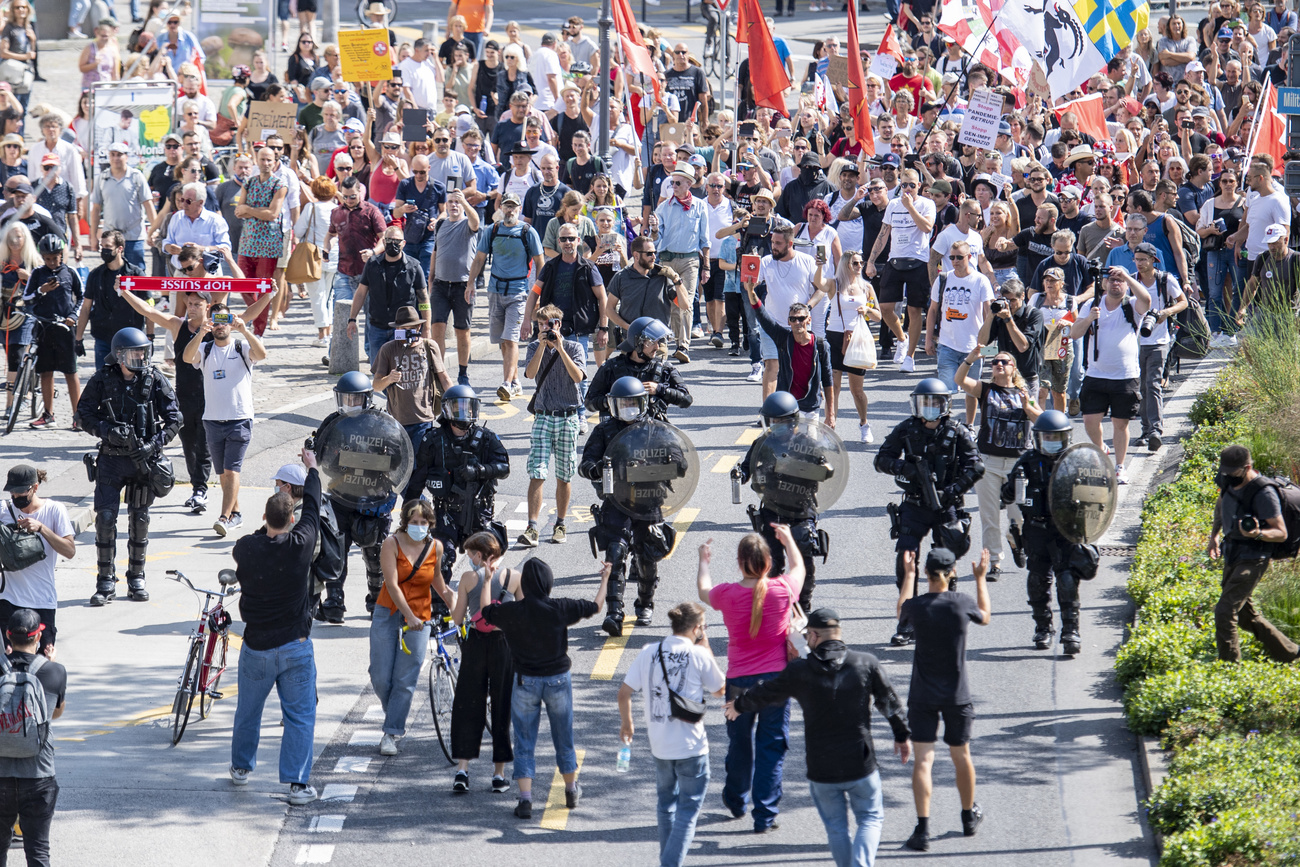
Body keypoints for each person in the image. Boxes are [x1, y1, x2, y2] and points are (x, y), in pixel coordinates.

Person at [725, 607, 912, 865]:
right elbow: (889, 703)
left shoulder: (799, 671)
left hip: (821, 768)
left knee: (836, 828)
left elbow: (767, 692)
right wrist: (902, 735)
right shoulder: (865, 663)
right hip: (860, 763)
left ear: (813, 635)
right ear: (838, 633)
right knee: (870, 819)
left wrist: (739, 704)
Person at [478, 558, 611, 819]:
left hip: (525, 681)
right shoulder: (560, 608)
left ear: (524, 584)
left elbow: (485, 611)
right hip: (558, 679)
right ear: (549, 582)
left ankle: (525, 800)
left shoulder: (512, 611)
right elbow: (596, 606)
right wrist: (605, 578)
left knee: (525, 741)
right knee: (564, 737)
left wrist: (486, 580)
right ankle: (571, 789)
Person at [229, 447, 322, 807]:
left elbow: (251, 541)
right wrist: (311, 469)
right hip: (296, 644)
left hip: (256, 647)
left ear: (265, 516)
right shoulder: (301, 545)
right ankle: (297, 784)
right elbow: (312, 506)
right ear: (292, 519)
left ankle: (241, 768)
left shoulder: (246, 548)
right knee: (299, 716)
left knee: (248, 711)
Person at [696, 529, 802, 834]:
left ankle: (736, 799)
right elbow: (799, 569)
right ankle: (765, 815)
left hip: (739, 682)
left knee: (739, 743)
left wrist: (704, 560)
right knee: (771, 747)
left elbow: (704, 589)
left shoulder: (727, 594)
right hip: (775, 682)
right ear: (768, 562)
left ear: (740, 562)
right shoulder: (782, 590)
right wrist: (789, 540)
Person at [874, 378, 985, 646]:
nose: (930, 407)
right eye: (924, 403)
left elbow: (976, 466)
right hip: (914, 504)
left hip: (946, 505)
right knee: (906, 560)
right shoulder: (906, 429)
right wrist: (905, 469)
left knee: (946, 563)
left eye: (935, 403)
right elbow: (881, 459)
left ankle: (948, 617)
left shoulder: (957, 431)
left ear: (945, 405)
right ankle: (908, 623)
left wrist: (954, 489)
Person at [76, 327, 181, 605]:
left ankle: (136, 577)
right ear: (120, 356)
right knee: (106, 520)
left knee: (140, 519)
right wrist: (106, 431)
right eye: (135, 352)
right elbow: (83, 413)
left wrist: (153, 445)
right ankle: (105, 581)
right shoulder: (102, 379)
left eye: (143, 351)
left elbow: (174, 418)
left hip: (142, 461)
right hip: (111, 460)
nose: (141, 357)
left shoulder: (154, 379)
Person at [896, 548, 992, 852]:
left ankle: (922, 830)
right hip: (957, 694)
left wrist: (908, 577)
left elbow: (901, 613)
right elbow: (985, 617)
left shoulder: (917, 606)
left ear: (925, 572)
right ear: (952, 573)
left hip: (922, 694)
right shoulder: (961, 603)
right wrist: (980, 580)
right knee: (961, 755)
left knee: (924, 759)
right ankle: (967, 817)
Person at [617, 601, 726, 867]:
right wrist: (706, 647)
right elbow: (720, 690)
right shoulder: (699, 655)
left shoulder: (649, 652)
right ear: (697, 628)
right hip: (692, 746)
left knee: (666, 806)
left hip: (660, 745)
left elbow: (624, 692)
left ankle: (667, 859)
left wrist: (627, 724)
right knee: (688, 812)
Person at [581, 377, 687, 635]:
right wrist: (596, 469)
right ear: (614, 405)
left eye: (633, 402)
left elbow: (680, 466)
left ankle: (645, 603)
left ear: (643, 402)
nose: (628, 407)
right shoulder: (604, 431)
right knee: (615, 555)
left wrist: (656, 466)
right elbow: (586, 464)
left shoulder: (657, 430)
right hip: (616, 501)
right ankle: (614, 613)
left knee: (647, 555)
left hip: (650, 500)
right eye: (623, 403)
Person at [1000, 410, 1099, 654]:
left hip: (1067, 529)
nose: (1052, 442)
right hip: (1036, 529)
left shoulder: (1076, 461)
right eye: (1047, 437)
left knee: (1067, 580)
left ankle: (1070, 631)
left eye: (1056, 437)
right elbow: (1006, 495)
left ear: (1066, 438)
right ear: (1037, 438)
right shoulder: (1027, 461)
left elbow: (1096, 495)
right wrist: (1014, 486)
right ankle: (1043, 628)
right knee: (1037, 580)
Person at [371, 498, 454, 757]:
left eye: (423, 522)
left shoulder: (435, 548)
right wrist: (408, 615)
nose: (418, 526)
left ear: (430, 524)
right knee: (381, 677)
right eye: (413, 522)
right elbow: (392, 585)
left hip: (421, 616)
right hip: (389, 612)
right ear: (405, 522)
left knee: (405, 680)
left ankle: (392, 732)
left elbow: (437, 580)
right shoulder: (391, 544)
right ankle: (395, 710)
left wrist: (456, 602)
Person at [310, 374, 396, 621]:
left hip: (373, 498)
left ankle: (377, 602)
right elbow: (321, 454)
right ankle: (334, 603)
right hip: (341, 496)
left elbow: (397, 458)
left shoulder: (382, 424)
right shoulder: (333, 422)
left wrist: (377, 455)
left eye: (355, 398)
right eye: (346, 397)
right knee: (335, 551)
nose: (350, 402)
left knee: (375, 552)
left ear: (366, 398)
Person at [734, 391, 831, 611]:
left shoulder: (807, 444)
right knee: (770, 564)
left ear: (793, 421)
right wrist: (739, 473)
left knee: (804, 563)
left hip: (800, 510)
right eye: (772, 421)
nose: (776, 425)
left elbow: (824, 472)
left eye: (781, 421)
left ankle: (803, 607)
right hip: (771, 509)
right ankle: (772, 608)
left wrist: (807, 469)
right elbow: (747, 467)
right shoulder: (763, 444)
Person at [407, 385, 510, 588]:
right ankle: (438, 612)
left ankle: (484, 612)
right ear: (447, 410)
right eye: (458, 407)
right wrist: (408, 517)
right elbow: (417, 479)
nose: (464, 413)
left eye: (468, 408)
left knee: (486, 567)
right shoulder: (432, 440)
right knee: (440, 559)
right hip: (447, 513)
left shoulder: (486, 438)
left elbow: (504, 467)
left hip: (479, 512)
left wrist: (480, 471)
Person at [1206, 444, 1300, 664]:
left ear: (1247, 467)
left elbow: (1280, 533)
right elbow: (1222, 504)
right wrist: (1214, 536)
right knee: (1245, 616)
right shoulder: (1227, 478)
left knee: (1225, 610)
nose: (1227, 475)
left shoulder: (1264, 493)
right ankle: (1289, 652)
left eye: (1232, 471)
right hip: (1232, 552)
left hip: (1254, 557)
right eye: (1224, 471)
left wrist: (1257, 533)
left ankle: (1229, 669)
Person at [182, 301, 268, 535]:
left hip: (239, 419)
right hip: (212, 421)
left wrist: (244, 329)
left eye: (225, 320)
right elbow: (187, 358)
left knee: (232, 471)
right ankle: (236, 514)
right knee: (222, 474)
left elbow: (261, 354)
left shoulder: (240, 348)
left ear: (231, 322)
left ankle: (224, 516)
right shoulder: (206, 349)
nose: (221, 326)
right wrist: (201, 332)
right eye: (216, 321)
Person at [955, 344, 1040, 579]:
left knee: (1019, 516)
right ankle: (994, 561)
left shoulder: (1024, 393)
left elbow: (1041, 419)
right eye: (996, 362)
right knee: (989, 516)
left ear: (1014, 369)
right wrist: (971, 358)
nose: (999, 365)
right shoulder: (985, 390)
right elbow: (960, 380)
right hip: (988, 462)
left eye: (1005, 362)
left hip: (1018, 466)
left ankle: (1015, 540)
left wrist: (1027, 407)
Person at [1067, 265, 1152, 485]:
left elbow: (1147, 301)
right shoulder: (1091, 304)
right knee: (1089, 421)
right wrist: (1088, 319)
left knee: (1120, 424)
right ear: (1104, 283)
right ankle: (1101, 449)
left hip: (1125, 376)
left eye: (1120, 280)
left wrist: (1128, 277)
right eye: (1112, 280)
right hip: (1096, 374)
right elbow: (1074, 333)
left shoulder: (1131, 305)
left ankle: (1120, 466)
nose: (1116, 283)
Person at [450, 528, 519, 795]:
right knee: (502, 707)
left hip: (476, 644)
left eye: (469, 554)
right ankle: (499, 775)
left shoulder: (468, 578)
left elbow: (457, 619)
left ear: (479, 555)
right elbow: (525, 616)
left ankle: (462, 770)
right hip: (504, 646)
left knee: (468, 704)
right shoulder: (515, 577)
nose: (469, 559)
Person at [0, 609, 67, 867]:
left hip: (1, 775)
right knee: (38, 852)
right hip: (39, 776)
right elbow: (55, 714)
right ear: (37, 637)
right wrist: (48, 662)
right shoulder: (55, 672)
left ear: (8, 636)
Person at [519, 304, 586, 546]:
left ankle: (560, 523)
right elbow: (529, 375)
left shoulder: (574, 347)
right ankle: (532, 527)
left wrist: (559, 347)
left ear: (558, 324)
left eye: (547, 324)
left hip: (568, 417)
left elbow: (578, 376)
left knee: (564, 475)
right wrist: (541, 347)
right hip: (543, 416)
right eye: (540, 324)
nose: (543, 328)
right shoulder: (533, 347)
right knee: (537, 472)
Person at [467, 191, 544, 401]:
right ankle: (516, 381)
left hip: (519, 292)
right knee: (503, 341)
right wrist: (470, 283)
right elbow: (479, 258)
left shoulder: (528, 231)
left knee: (511, 339)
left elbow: (540, 262)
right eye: (506, 206)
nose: (510, 210)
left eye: (514, 207)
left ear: (519, 209)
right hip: (495, 291)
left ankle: (507, 383)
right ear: (501, 208)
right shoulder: (492, 230)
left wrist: (538, 292)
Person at [865, 168, 936, 372]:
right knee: (885, 307)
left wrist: (911, 208)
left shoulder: (926, 203)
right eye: (904, 185)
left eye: (912, 185)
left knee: (914, 310)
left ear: (919, 186)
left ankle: (910, 357)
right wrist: (871, 260)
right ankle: (901, 338)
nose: (907, 189)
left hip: (918, 261)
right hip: (894, 260)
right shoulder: (894, 205)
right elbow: (883, 233)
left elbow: (927, 228)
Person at [0, 467, 73, 655]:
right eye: (12, 491)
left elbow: (70, 551)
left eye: (21, 491)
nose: (16, 495)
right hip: (8, 599)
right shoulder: (3, 510)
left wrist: (42, 529)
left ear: (35, 488)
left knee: (42, 661)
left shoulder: (55, 510)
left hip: (42, 601)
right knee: (8, 665)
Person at [371, 305, 453, 466]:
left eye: (411, 329)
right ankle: (402, 492)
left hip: (423, 418)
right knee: (399, 466)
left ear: (419, 327)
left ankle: (412, 492)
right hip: (397, 420)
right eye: (403, 329)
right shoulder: (388, 349)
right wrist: (389, 379)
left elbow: (444, 378)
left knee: (418, 465)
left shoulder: (429, 347)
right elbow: (376, 385)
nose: (407, 334)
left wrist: (456, 403)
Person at [926, 240, 995, 426]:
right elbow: (933, 310)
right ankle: (944, 426)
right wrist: (928, 340)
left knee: (971, 390)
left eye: (959, 257)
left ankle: (969, 426)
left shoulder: (980, 280)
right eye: (952, 257)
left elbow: (989, 313)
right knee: (945, 391)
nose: (955, 261)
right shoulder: (943, 279)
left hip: (973, 346)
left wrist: (991, 345)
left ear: (969, 257)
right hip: (947, 344)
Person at [650, 165, 711, 363]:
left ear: (689, 184)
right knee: (671, 302)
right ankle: (672, 341)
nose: (673, 186)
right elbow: (656, 241)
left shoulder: (701, 206)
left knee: (686, 300)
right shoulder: (663, 207)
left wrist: (707, 266)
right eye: (671, 183)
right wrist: (654, 230)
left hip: (690, 259)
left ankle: (683, 344)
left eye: (677, 183)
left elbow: (705, 240)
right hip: (667, 259)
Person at [1130, 243, 1187, 451]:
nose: (1139, 263)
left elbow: (1183, 302)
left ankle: (1155, 430)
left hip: (1159, 341)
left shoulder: (1165, 280)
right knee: (1141, 387)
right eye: (1137, 259)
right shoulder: (1132, 281)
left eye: (1143, 259)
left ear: (1154, 260)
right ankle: (1146, 430)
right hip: (1135, 342)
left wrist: (1166, 312)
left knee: (1153, 384)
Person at [22, 234, 82, 430]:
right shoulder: (38, 273)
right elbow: (27, 297)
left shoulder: (70, 273)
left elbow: (82, 298)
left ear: (62, 255)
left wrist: (73, 316)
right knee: (46, 372)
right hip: (44, 327)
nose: (51, 262)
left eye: (55, 258)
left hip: (65, 328)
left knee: (70, 373)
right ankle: (48, 414)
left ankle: (78, 415)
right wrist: (42, 290)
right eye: (47, 258)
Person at [585, 316, 692, 422]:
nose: (657, 347)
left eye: (658, 342)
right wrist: (614, 401)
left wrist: (660, 390)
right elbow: (589, 402)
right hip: (619, 432)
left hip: (653, 430)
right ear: (638, 343)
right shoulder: (611, 368)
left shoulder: (664, 368)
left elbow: (686, 399)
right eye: (651, 343)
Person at [347, 227, 430, 363]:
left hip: (404, 327)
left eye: (396, 241)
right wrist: (352, 319)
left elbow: (424, 299)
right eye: (389, 240)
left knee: (402, 370)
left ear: (403, 243)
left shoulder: (414, 267)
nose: (392, 244)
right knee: (378, 371)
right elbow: (361, 292)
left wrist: (427, 328)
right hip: (377, 327)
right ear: (384, 242)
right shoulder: (372, 264)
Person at [427, 189, 481, 383]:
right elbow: (435, 251)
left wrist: (464, 201)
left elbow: (476, 222)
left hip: (463, 286)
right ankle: (439, 372)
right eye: (450, 202)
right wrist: (431, 279)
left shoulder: (467, 224)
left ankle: (463, 372)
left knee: (462, 330)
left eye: (457, 202)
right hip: (441, 285)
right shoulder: (441, 224)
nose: (454, 205)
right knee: (437, 328)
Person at [74, 230, 147, 372]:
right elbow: (86, 308)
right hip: (103, 338)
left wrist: (149, 336)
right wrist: (78, 338)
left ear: (120, 249)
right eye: (102, 246)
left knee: (131, 382)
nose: (103, 250)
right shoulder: (95, 275)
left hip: (130, 339)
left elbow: (148, 304)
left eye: (107, 246)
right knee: (103, 382)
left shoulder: (136, 274)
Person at [88, 142, 156, 272]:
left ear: (126, 157)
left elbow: (148, 204)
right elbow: (96, 208)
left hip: (133, 235)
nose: (115, 158)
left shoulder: (136, 176)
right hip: (111, 236)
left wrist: (154, 231)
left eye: (119, 155)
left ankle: (138, 293)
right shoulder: (103, 178)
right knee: (111, 271)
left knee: (136, 271)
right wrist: (93, 236)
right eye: (112, 155)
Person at [978, 278, 1044, 398]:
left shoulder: (1034, 315)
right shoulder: (999, 316)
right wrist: (990, 317)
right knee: (1003, 414)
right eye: (1006, 300)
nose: (1009, 305)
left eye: (1013, 300)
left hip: (1027, 378)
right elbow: (982, 343)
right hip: (1004, 378)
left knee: (1030, 413)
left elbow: (1023, 346)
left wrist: (1008, 319)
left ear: (1023, 296)